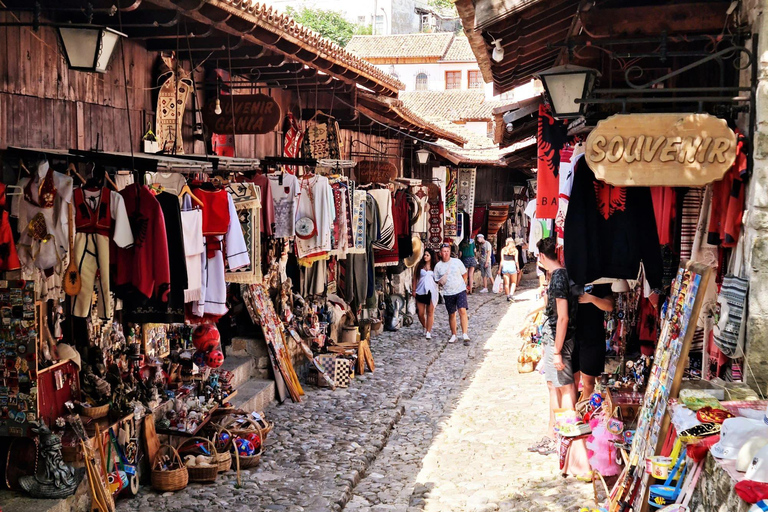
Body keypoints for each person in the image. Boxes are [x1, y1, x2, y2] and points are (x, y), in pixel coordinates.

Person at [527, 236, 578, 456]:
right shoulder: (561, 275)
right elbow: (551, 305)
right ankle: (554, 434)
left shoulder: (558, 278)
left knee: (564, 387)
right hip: (556, 338)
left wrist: (556, 351)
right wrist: (529, 315)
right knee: (553, 386)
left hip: (560, 340)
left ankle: (567, 439)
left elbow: (563, 317)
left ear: (541, 256)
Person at [576, 284, 615, 400]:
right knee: (571, 384)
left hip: (592, 336)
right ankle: (574, 415)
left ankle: (583, 414)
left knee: (588, 383)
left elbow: (610, 305)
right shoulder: (568, 275)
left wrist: (591, 299)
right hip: (571, 336)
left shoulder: (599, 281)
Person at [434, 243, 471, 345]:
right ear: (440, 253)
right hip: (447, 292)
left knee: (462, 310)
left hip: (460, 290)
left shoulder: (457, 262)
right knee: (451, 313)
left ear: (450, 252)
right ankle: (454, 334)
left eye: (447, 251)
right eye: (444, 252)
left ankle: (464, 333)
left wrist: (462, 284)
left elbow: (464, 274)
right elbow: (436, 279)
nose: (446, 253)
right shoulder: (438, 266)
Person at [411, 249, 438, 340]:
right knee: (420, 313)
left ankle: (428, 332)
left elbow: (438, 278)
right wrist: (414, 289)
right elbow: (415, 277)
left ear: (431, 257)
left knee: (430, 312)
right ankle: (425, 326)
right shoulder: (419, 265)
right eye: (425, 255)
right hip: (420, 290)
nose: (425, 256)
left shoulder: (435, 267)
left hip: (431, 291)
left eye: (427, 255)